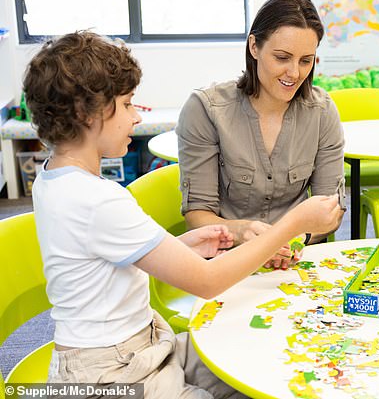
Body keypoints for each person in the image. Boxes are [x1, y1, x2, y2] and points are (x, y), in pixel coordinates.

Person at [25, 31, 341, 397]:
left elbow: (100, 262)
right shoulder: (97, 200)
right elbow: (206, 283)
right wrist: (292, 224)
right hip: (110, 374)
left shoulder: (54, 177)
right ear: (87, 113)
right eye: (128, 105)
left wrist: (181, 247)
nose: (136, 119)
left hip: (137, 349)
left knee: (252, 352)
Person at [176, 0, 345, 269]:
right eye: (282, 57)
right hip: (225, 263)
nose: (294, 73)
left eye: (306, 61)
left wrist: (292, 240)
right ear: (254, 46)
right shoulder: (206, 109)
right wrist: (243, 232)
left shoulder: (323, 112)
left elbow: (332, 211)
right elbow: (198, 216)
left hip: (297, 260)